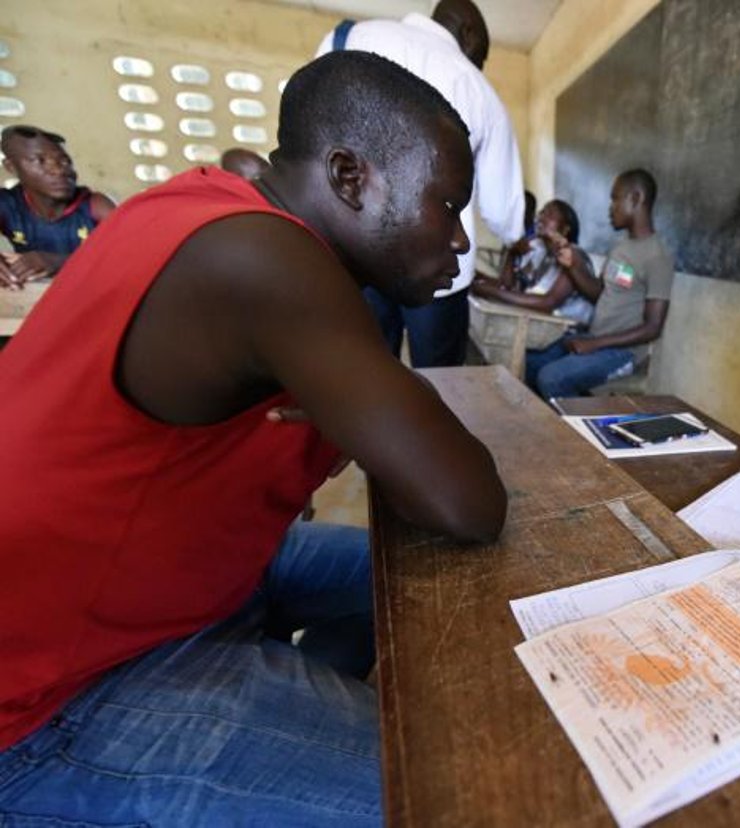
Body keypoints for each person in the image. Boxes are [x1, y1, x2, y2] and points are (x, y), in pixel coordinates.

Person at [0, 51, 506, 825]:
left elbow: (429, 489)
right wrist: (389, 413)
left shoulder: (190, 204)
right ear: (349, 177)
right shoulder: (264, 258)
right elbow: (466, 499)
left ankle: (293, 701)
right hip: (59, 689)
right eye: (446, 205)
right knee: (452, 794)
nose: (460, 244)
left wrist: (379, 413)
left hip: (186, 571)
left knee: (427, 581)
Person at [316, 0, 525, 366]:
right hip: (438, 269)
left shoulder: (347, 39)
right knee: (444, 386)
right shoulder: (479, 91)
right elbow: (502, 212)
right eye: (483, 56)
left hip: (354, 254)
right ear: (469, 34)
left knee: (365, 374)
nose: (480, 64)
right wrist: (516, 240)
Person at [525, 169, 674, 399]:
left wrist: (597, 344)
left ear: (635, 198)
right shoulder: (621, 247)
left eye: (615, 199)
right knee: (530, 363)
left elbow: (653, 326)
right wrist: (572, 265)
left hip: (623, 353)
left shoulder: (657, 256)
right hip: (597, 339)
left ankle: (584, 429)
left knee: (551, 378)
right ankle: (564, 418)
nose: (610, 208)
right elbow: (599, 294)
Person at [0, 124, 115, 288]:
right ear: (11, 167)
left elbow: (134, 255)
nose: (59, 170)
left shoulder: (94, 205)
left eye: (65, 161)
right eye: (40, 161)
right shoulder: (8, 203)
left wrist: (61, 261)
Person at [472, 198, 597, 325]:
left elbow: (548, 302)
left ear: (565, 229)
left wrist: (489, 291)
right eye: (542, 212)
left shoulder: (574, 255)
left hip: (569, 329)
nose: (541, 218)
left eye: (550, 215)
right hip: (540, 322)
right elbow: (509, 286)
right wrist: (512, 252)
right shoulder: (538, 249)